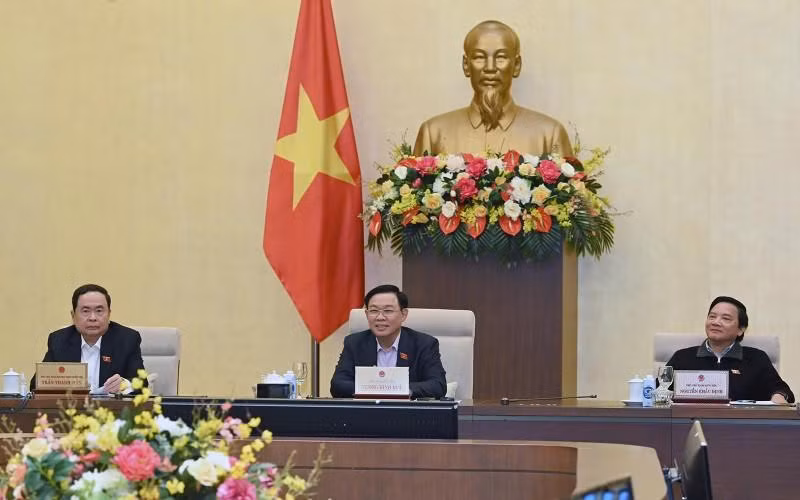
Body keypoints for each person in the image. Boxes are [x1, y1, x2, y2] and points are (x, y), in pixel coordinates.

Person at [413, 20, 573, 157]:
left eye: (501, 57)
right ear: (466, 65)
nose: (490, 68)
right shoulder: (433, 133)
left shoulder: (549, 135)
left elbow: (570, 192)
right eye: (479, 57)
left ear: (516, 65)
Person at [666, 296, 794, 403]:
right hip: (688, 426)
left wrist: (779, 396)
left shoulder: (756, 358)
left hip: (741, 430)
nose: (716, 322)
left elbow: (782, 391)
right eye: (712, 317)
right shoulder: (682, 357)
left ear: (741, 329)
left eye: (725, 318)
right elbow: (657, 391)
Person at [330, 284, 447, 399]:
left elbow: (438, 386)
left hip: (407, 414)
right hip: (367, 413)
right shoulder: (354, 343)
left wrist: (396, 389)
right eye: (374, 310)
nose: (380, 317)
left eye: (388, 311)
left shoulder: (424, 344)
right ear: (366, 314)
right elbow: (338, 385)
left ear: (403, 314)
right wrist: (378, 388)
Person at [32, 284, 146, 394]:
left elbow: (142, 383)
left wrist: (124, 384)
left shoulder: (127, 339)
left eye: (99, 311)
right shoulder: (59, 340)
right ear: (73, 316)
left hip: (111, 411)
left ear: (109, 314)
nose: (93, 318)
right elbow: (36, 385)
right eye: (85, 311)